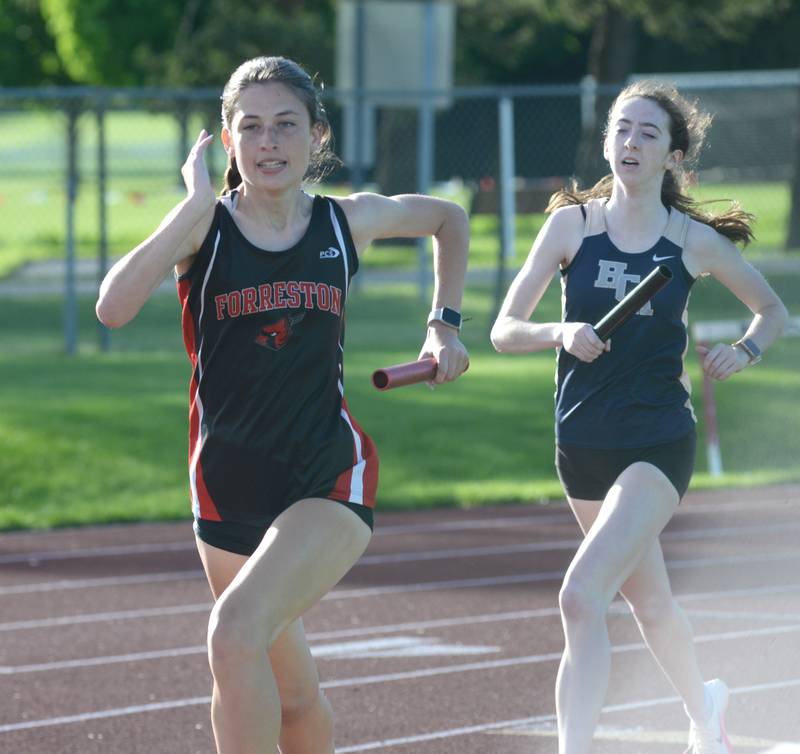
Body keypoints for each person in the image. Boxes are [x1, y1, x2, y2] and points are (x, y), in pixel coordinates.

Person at [96, 55, 469, 754]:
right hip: (226, 489)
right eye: (253, 127)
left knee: (233, 633)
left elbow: (448, 219)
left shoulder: (344, 224)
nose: (269, 143)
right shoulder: (203, 230)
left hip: (325, 476)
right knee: (291, 698)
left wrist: (444, 323)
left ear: (318, 137)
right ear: (229, 140)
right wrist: (190, 206)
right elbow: (112, 308)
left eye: (286, 126)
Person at [490, 80, 789, 754]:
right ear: (606, 142)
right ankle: (705, 710)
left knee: (580, 595)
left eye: (647, 133)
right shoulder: (570, 226)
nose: (630, 142)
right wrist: (560, 333)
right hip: (581, 443)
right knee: (648, 602)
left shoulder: (692, 241)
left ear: (673, 157)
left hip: (656, 442)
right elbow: (505, 329)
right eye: (622, 129)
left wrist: (745, 351)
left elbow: (772, 310)